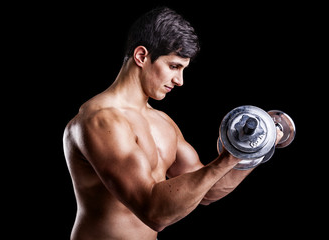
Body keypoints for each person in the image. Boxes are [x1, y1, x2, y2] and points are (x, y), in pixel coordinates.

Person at [63, 7, 283, 240]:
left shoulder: (163, 122)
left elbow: (208, 190)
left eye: (183, 69)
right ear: (141, 56)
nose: (179, 81)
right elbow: (153, 212)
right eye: (174, 66)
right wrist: (229, 156)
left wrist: (254, 150)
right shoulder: (99, 120)